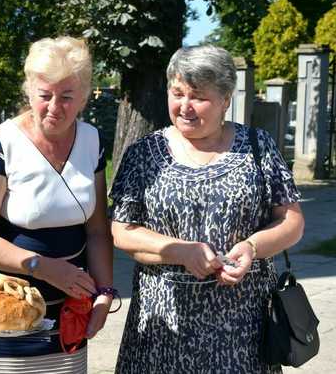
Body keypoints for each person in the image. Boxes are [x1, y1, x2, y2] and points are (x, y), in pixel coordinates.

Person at [110, 45, 304, 373]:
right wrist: (181, 252)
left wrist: (252, 247)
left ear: (226, 99)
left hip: (243, 329)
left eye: (198, 96)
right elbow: (121, 230)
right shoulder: (144, 153)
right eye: (177, 93)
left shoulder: (258, 147)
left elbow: (291, 221)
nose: (184, 106)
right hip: (162, 326)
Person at [0, 36, 115, 373]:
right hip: (3, 320)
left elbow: (98, 230)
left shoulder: (92, 141)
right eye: (45, 96)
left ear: (85, 97)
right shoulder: (1, 143)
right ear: (29, 91)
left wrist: (103, 291)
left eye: (67, 97)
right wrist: (41, 266)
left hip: (69, 323)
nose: (55, 107)